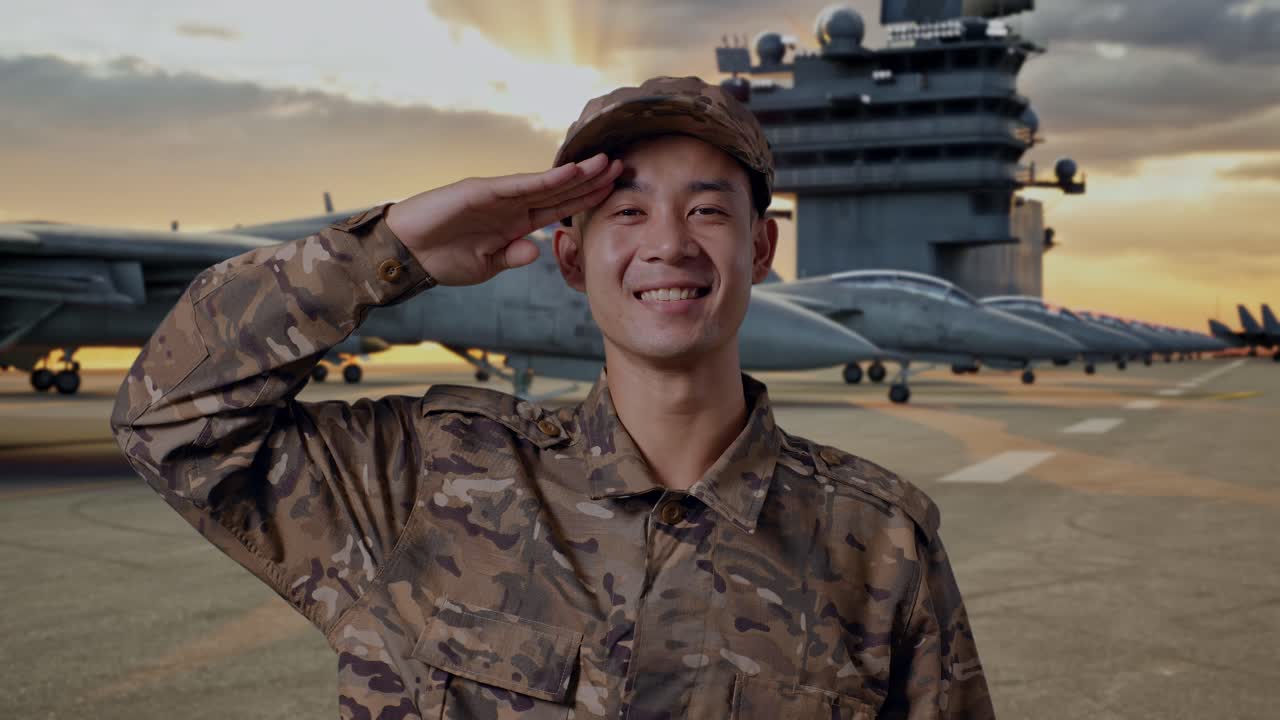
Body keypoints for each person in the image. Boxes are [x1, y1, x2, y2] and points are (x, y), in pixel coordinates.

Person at [112, 75, 995, 719]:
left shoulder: (879, 544)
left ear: (760, 251)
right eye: (627, 212)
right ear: (570, 257)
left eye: (708, 211)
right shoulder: (429, 477)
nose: (669, 246)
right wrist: (391, 248)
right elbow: (171, 417)